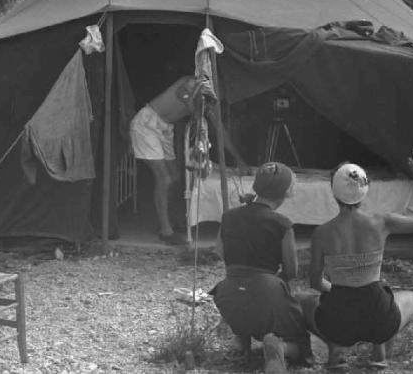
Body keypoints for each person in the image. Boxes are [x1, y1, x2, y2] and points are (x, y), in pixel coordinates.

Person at [304, 151, 413, 370]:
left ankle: (335, 348)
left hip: (338, 322)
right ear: (364, 191)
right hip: (379, 319)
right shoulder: (382, 222)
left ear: (334, 193)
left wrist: (341, 290)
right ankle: (379, 348)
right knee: (411, 298)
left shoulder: (322, 233)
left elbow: (315, 283)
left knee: (304, 301)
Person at [210, 162, 312, 373]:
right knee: (302, 343)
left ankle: (241, 340)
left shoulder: (229, 216)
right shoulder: (282, 224)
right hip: (267, 292)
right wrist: (272, 286)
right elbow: (291, 271)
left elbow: (220, 251)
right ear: (287, 192)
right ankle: (281, 348)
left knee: (247, 304)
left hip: (227, 294)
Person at [130, 75, 243, 245]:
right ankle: (165, 230)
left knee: (175, 177)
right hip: (147, 123)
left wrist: (239, 159)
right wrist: (199, 101)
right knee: (165, 179)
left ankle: (170, 219)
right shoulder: (190, 83)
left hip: (165, 128)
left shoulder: (210, 103)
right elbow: (186, 99)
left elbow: (221, 132)